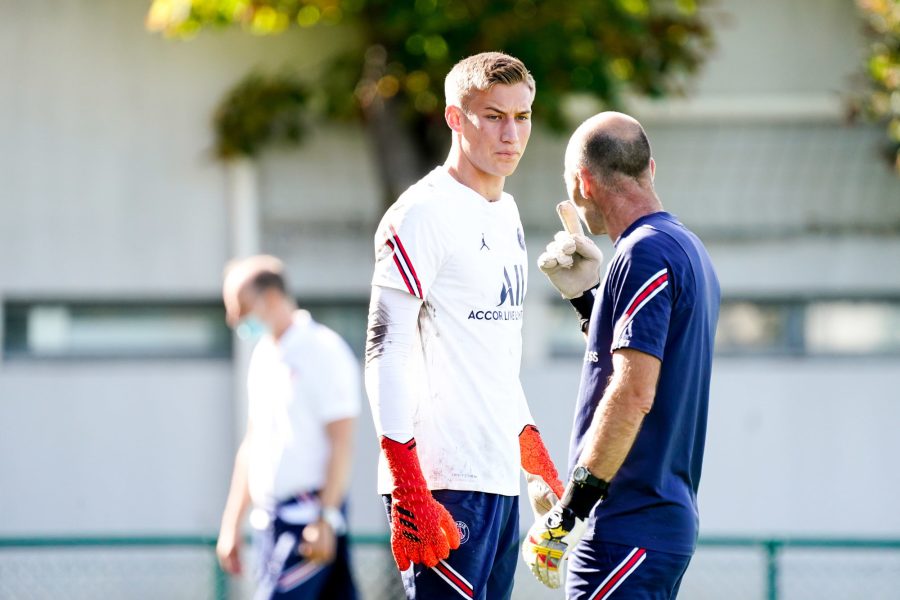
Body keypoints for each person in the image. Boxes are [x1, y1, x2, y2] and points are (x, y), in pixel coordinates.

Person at [364, 52, 565, 600]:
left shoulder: (508, 213)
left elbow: (493, 352)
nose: (512, 133)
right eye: (493, 115)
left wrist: (530, 448)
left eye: (522, 116)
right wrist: (407, 484)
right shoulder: (422, 213)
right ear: (456, 118)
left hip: (496, 475)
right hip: (440, 481)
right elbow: (384, 350)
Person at [522, 112, 721, 599]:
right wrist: (588, 302)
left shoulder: (642, 253)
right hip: (653, 526)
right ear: (650, 169)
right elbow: (642, 361)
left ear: (582, 183)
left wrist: (570, 511)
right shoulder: (685, 247)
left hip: (626, 527)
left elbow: (633, 392)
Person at [216, 255, 360, 600]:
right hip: (270, 521)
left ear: (271, 298)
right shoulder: (264, 356)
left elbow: (342, 442)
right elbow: (252, 444)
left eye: (241, 307)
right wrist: (231, 523)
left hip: (308, 520)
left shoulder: (323, 350)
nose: (234, 319)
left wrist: (326, 517)